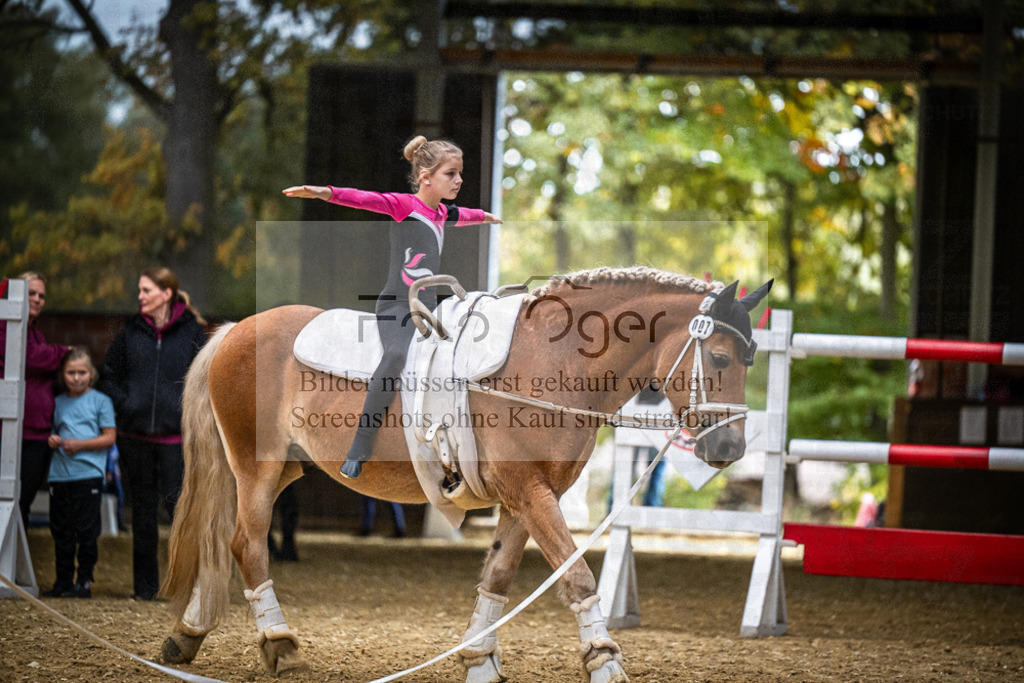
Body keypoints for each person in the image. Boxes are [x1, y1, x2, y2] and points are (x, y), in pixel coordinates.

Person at [283, 135, 502, 479]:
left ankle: (451, 444)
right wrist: (323, 192)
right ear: (426, 177)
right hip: (397, 305)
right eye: (451, 174)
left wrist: (488, 218)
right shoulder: (404, 206)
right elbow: (362, 199)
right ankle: (360, 444)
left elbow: (466, 215)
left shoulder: (443, 212)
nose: (459, 180)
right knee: (396, 356)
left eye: (460, 173)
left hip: (428, 308)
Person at [98, 267, 207, 600]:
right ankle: (144, 589)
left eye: (146, 290)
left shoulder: (192, 333)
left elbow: (206, 382)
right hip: (136, 439)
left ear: (166, 294)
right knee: (143, 515)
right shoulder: (130, 332)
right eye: (140, 290)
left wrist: (187, 415)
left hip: (177, 442)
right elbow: (108, 375)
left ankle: (184, 586)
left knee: (179, 514)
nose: (140, 296)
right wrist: (126, 404)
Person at [44, 347, 116, 598]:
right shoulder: (57, 402)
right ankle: (62, 580)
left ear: (91, 373)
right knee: (61, 531)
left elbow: (109, 437)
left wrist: (80, 445)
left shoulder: (101, 401)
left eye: (82, 372)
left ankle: (84, 580)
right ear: (62, 375)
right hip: (60, 475)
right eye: (71, 373)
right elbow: (52, 430)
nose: (76, 378)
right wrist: (52, 439)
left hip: (88, 475)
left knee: (86, 531)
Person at [0, 272, 69, 530]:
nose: (38, 299)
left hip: (37, 432)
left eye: (42, 295)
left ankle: (15, 555)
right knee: (7, 500)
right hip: (10, 431)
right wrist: (63, 352)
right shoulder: (4, 327)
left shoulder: (36, 333)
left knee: (23, 502)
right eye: (31, 293)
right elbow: (29, 357)